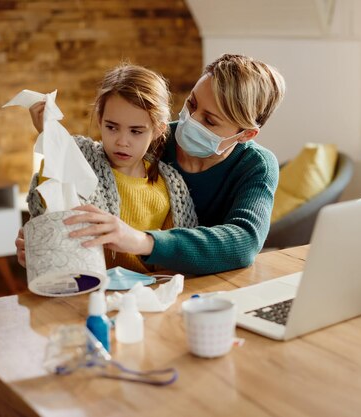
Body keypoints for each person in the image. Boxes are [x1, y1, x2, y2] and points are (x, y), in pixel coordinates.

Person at [17, 53, 285, 275]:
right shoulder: (150, 138)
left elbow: (245, 242)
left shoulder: (255, 166)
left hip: (201, 286)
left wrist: (141, 241)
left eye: (210, 121)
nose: (190, 119)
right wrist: (49, 246)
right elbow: (85, 176)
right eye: (191, 104)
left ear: (246, 134)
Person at [23, 64, 198, 273]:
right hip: (84, 290)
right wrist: (52, 139)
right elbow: (50, 210)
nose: (122, 141)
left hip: (144, 294)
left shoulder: (170, 187)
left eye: (136, 131)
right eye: (112, 127)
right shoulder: (78, 162)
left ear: (158, 130)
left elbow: (177, 257)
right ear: (99, 119)